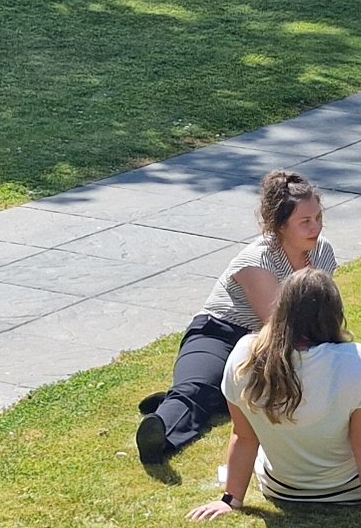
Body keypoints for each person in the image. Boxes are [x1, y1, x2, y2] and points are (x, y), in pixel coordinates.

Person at [186, 269, 361, 528]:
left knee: (359, 418)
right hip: (354, 488)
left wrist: (230, 500)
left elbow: (244, 436)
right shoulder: (356, 360)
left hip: (282, 487)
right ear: (334, 314)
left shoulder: (244, 354)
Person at [136, 171, 338, 465]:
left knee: (256, 394)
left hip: (270, 343)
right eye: (305, 221)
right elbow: (279, 328)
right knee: (199, 388)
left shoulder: (323, 253)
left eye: (318, 217)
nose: (315, 227)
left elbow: (323, 317)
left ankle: (190, 399)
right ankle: (160, 434)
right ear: (280, 224)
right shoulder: (256, 261)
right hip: (220, 334)